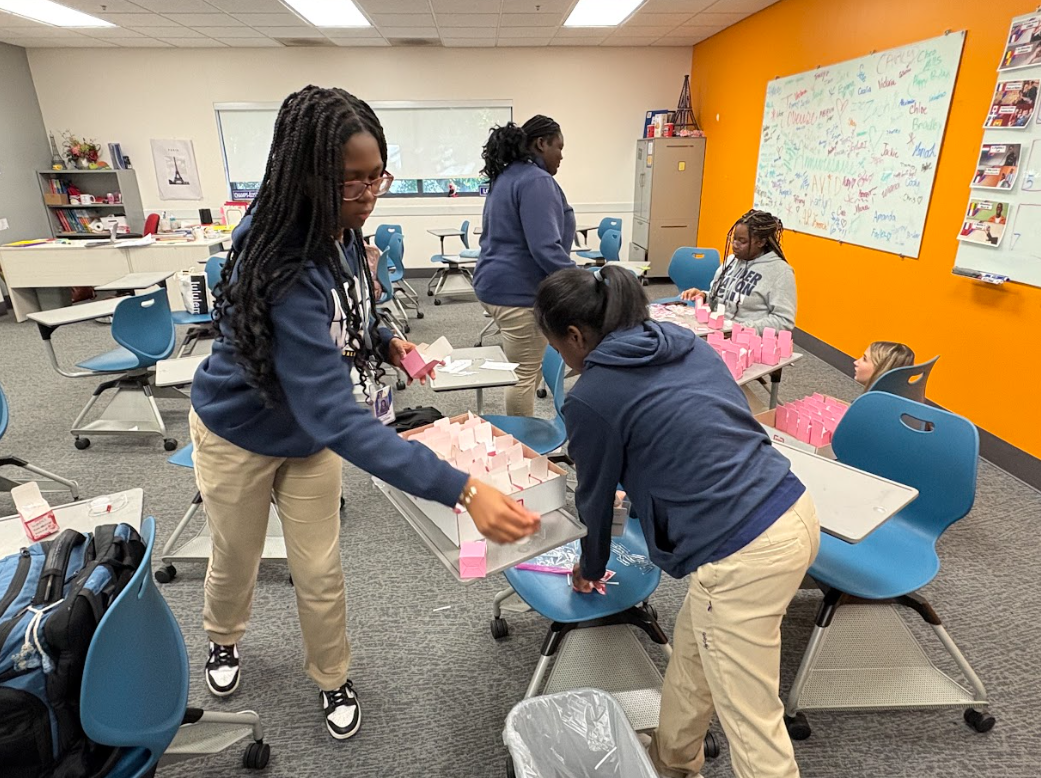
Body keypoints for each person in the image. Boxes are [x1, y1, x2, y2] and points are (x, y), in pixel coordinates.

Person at [190, 86, 539, 740]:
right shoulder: (282, 259)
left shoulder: (342, 228)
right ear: (307, 177)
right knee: (236, 557)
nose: (369, 193)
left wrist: (385, 338)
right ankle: (223, 638)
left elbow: (352, 306)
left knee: (319, 569)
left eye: (375, 174)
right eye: (351, 182)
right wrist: (461, 489)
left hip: (305, 438)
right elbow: (338, 418)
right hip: (238, 432)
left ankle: (331, 675)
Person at [534, 265, 820, 778]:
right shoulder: (681, 340)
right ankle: (672, 763)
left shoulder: (592, 396)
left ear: (575, 336)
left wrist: (590, 565)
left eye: (558, 347)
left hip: (743, 553)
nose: (562, 358)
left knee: (752, 724)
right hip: (791, 508)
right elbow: (713, 425)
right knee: (691, 661)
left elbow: (595, 501)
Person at [472, 115, 575, 416]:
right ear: (541, 143)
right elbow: (545, 248)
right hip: (519, 294)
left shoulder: (507, 176)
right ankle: (521, 445)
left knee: (520, 371)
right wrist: (580, 281)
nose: (561, 155)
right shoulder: (536, 180)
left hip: (494, 285)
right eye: (559, 146)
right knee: (523, 378)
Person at [680, 209, 797, 334]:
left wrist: (744, 328)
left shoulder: (780, 272)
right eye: (734, 239)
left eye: (742, 241)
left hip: (747, 340)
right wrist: (704, 296)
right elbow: (722, 300)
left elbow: (784, 321)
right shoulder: (731, 261)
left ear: (761, 242)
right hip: (717, 332)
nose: (735, 245)